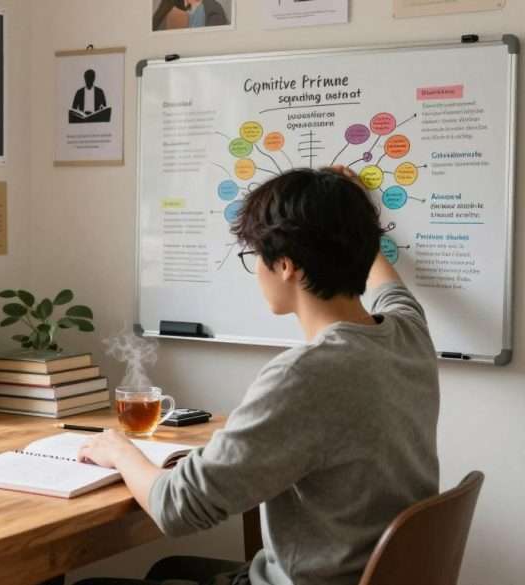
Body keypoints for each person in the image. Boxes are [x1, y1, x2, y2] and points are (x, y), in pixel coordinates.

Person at [76, 167, 440, 585]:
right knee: (169, 569)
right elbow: (389, 286)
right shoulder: (409, 332)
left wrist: (119, 451)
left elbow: (178, 508)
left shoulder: (303, 376)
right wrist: (348, 215)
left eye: (255, 256)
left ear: (285, 265)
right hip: (360, 574)